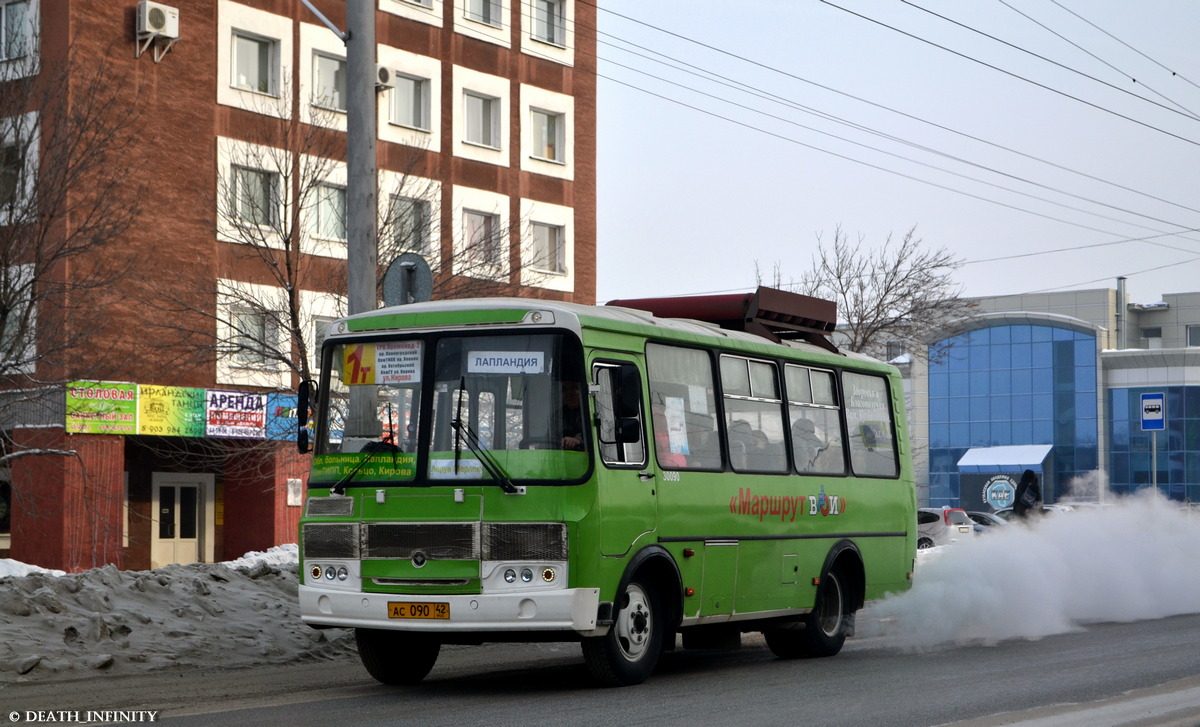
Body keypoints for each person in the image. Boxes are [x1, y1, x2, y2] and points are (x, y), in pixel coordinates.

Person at [559, 380, 586, 451]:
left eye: (574, 388)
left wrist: (578, 440)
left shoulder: (590, 412)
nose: (569, 394)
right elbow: (551, 438)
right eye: (565, 389)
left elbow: (596, 436)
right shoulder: (558, 416)